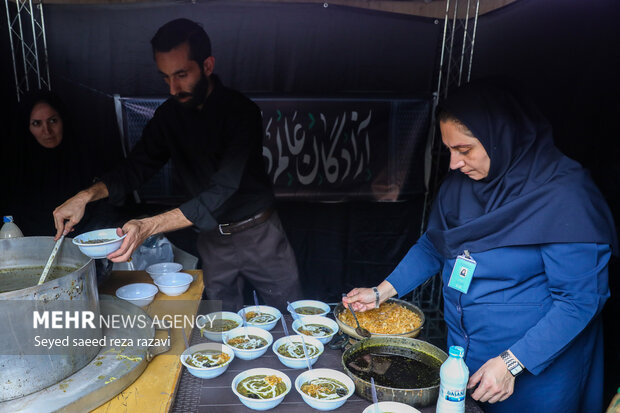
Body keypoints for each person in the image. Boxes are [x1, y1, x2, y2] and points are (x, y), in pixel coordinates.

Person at [343, 80, 617, 413]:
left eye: (464, 149)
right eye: (449, 150)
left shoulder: (565, 196)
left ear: (502, 138)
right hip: (466, 361)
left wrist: (512, 363)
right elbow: (434, 245)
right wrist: (380, 292)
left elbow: (579, 300)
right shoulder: (461, 186)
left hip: (535, 372)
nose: (453, 164)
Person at [53, 18, 302, 311]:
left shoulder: (241, 112)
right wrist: (85, 196)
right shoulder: (169, 117)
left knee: (294, 317)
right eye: (165, 77)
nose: (173, 88)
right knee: (222, 324)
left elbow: (222, 190)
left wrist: (149, 226)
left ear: (207, 66)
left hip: (260, 235)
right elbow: (136, 167)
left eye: (182, 75)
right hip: (211, 239)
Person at [1, 90, 112, 236]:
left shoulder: (85, 156)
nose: (47, 131)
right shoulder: (16, 167)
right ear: (27, 128)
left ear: (63, 120)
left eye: (53, 121)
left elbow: (107, 207)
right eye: (37, 123)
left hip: (86, 242)